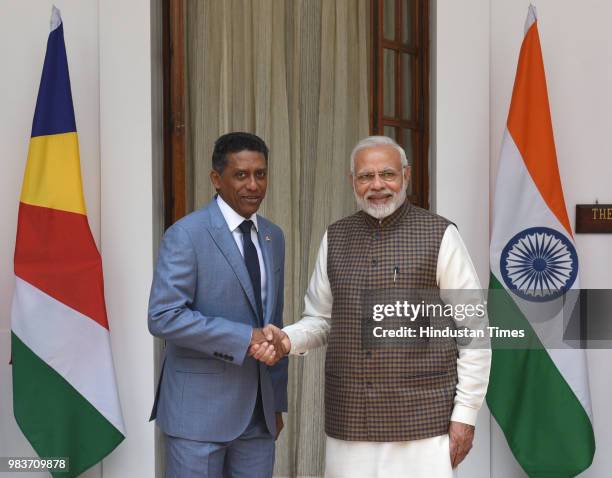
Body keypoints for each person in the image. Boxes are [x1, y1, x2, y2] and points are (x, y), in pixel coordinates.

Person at [251, 136, 491, 477]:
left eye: (387, 174)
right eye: (366, 176)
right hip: (351, 421)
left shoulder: (440, 235)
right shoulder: (335, 236)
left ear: (406, 176)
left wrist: (465, 414)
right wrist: (286, 340)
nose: (377, 185)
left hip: (423, 422)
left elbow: (474, 330)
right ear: (353, 181)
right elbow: (320, 318)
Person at [148, 132, 288, 478]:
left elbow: (274, 321)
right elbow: (164, 317)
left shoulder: (274, 236)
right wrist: (246, 337)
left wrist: (277, 403)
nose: (253, 185)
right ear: (216, 179)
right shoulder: (187, 234)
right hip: (198, 416)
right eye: (241, 175)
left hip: (259, 417)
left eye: (261, 174)